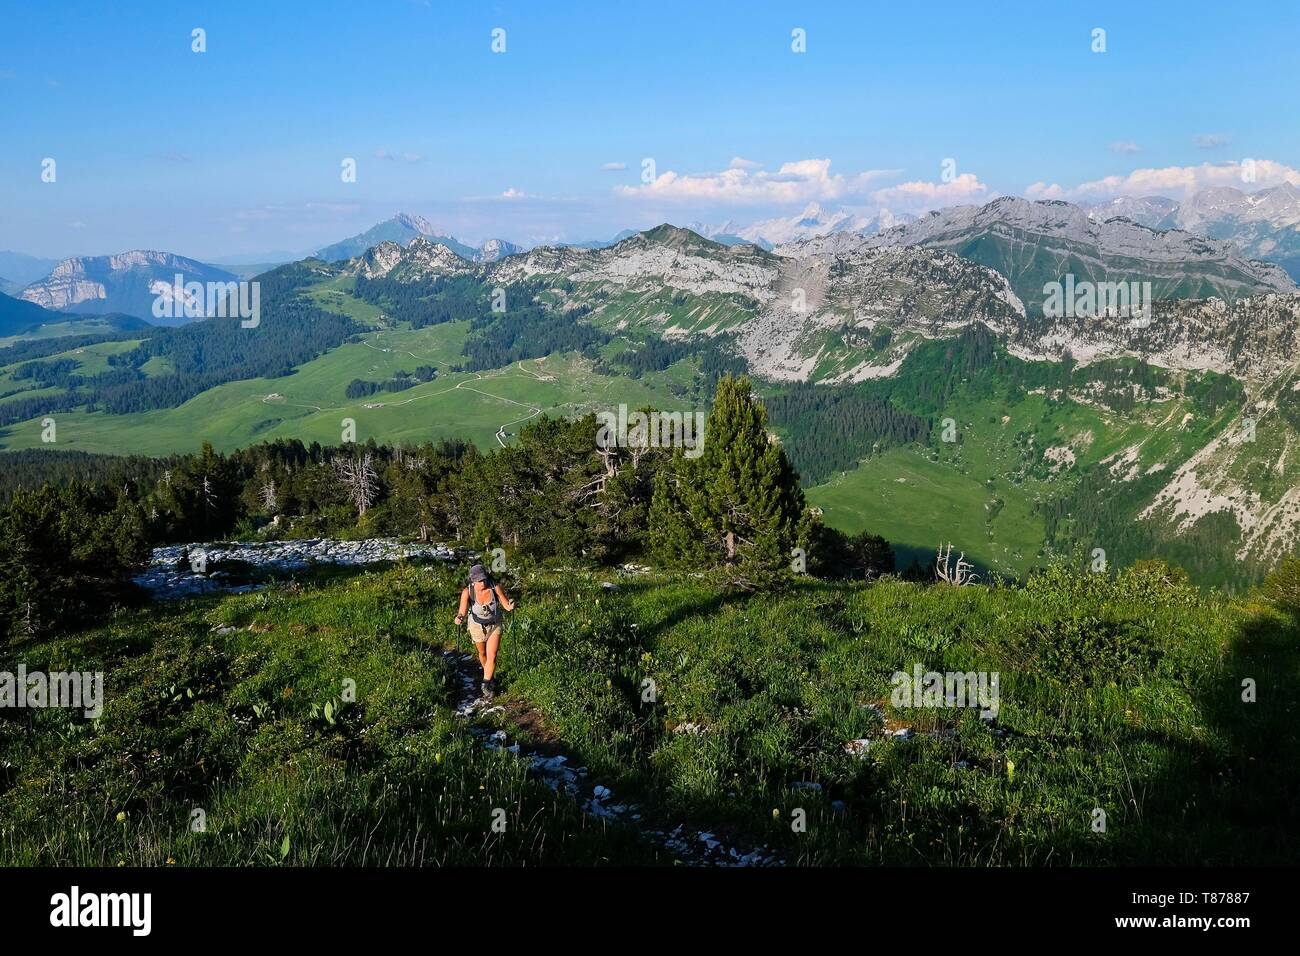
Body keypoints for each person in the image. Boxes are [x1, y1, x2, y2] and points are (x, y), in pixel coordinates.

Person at [454, 564, 515, 699]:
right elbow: (462, 611)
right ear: (473, 581)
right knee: (482, 653)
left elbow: (505, 604)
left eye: (484, 579)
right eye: (480, 580)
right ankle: (489, 676)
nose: (483, 582)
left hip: (495, 624)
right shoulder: (467, 592)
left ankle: (485, 684)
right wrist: (459, 617)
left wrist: (510, 607)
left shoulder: (495, 587)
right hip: (477, 626)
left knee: (492, 654)